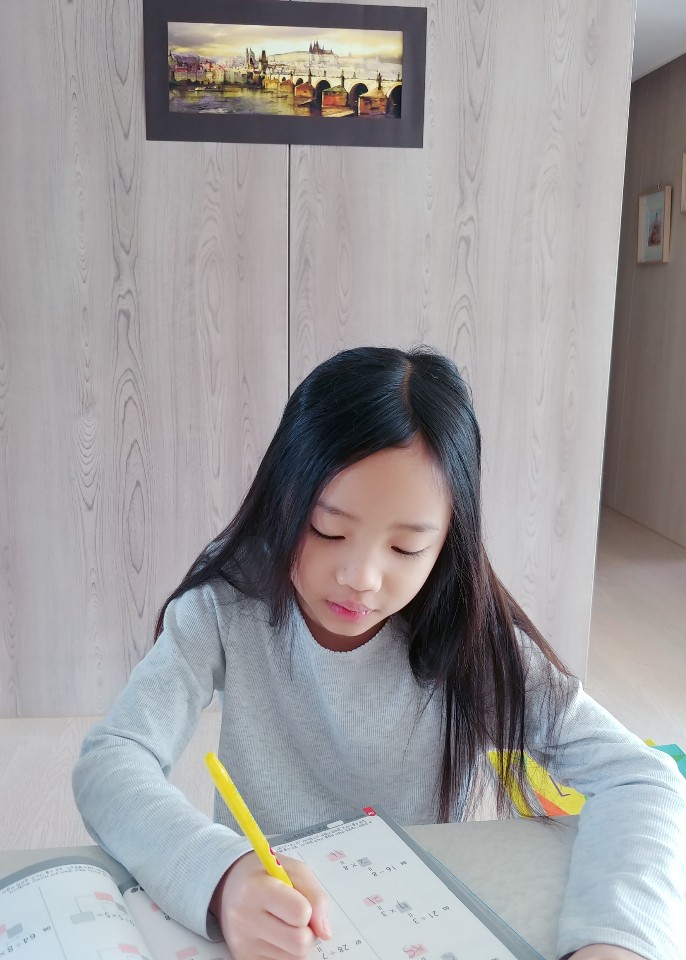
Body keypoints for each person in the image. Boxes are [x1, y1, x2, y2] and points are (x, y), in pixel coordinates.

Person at [73, 346, 686, 960]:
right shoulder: (227, 606)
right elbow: (112, 760)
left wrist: (616, 943)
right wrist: (221, 874)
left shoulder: (469, 635)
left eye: (406, 548)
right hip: (272, 928)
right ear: (282, 499)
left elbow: (639, 775)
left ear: (448, 543)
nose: (361, 577)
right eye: (328, 530)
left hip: (418, 926)